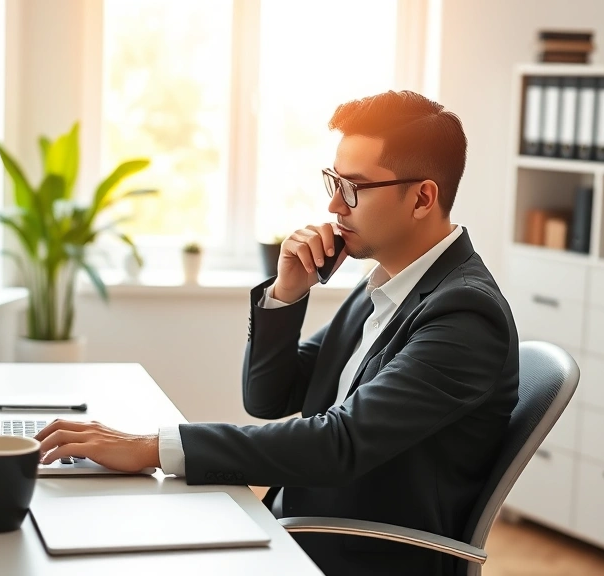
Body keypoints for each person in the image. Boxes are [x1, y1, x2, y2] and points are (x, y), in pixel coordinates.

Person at [35, 90, 519, 576]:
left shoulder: (464, 315)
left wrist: (151, 447)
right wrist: (287, 292)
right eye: (332, 181)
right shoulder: (384, 285)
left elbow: (340, 443)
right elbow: (268, 396)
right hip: (297, 527)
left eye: (353, 187)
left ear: (422, 197)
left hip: (354, 553)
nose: (333, 204)